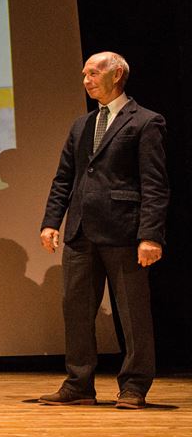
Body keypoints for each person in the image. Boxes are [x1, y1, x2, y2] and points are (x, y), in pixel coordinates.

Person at [39, 52, 168, 410]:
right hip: (81, 231)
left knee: (132, 313)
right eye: (84, 74)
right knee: (76, 311)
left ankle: (134, 386)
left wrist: (150, 235)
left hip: (124, 231)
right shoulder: (82, 125)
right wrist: (51, 222)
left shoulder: (145, 121)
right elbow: (64, 178)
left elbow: (155, 184)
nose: (87, 79)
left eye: (94, 73)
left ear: (118, 74)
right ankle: (78, 384)